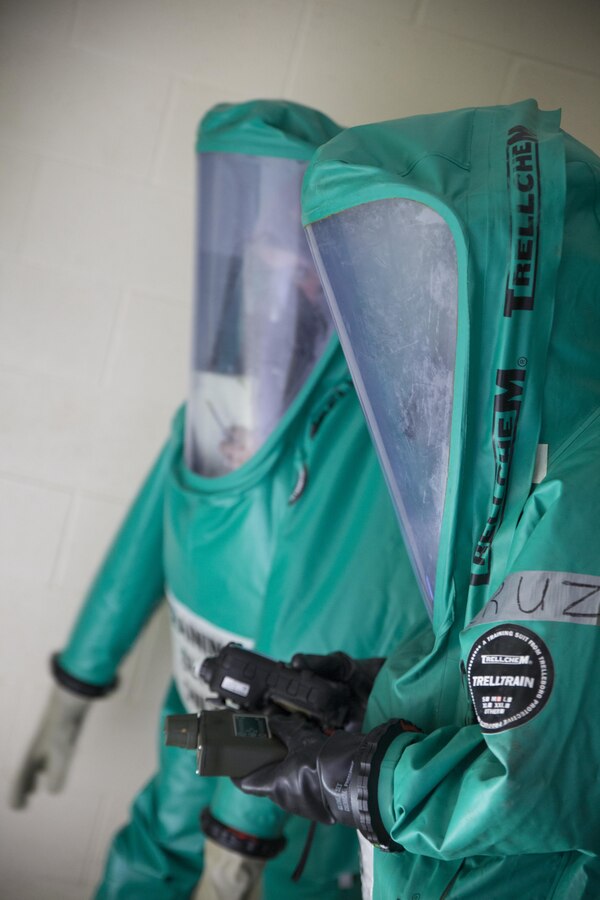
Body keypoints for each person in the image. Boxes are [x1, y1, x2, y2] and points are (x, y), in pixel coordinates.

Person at [10, 99, 428, 900]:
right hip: (197, 720)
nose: (271, 267)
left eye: (294, 248)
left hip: (289, 795)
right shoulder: (223, 410)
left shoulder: (366, 437)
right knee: (146, 860)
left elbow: (312, 645)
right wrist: (75, 686)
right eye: (258, 242)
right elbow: (153, 528)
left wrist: (244, 833)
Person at [235, 99, 600, 898]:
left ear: (510, 299)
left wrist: (369, 782)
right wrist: (369, 687)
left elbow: (546, 782)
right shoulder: (546, 457)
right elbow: (508, 655)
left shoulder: (584, 484)